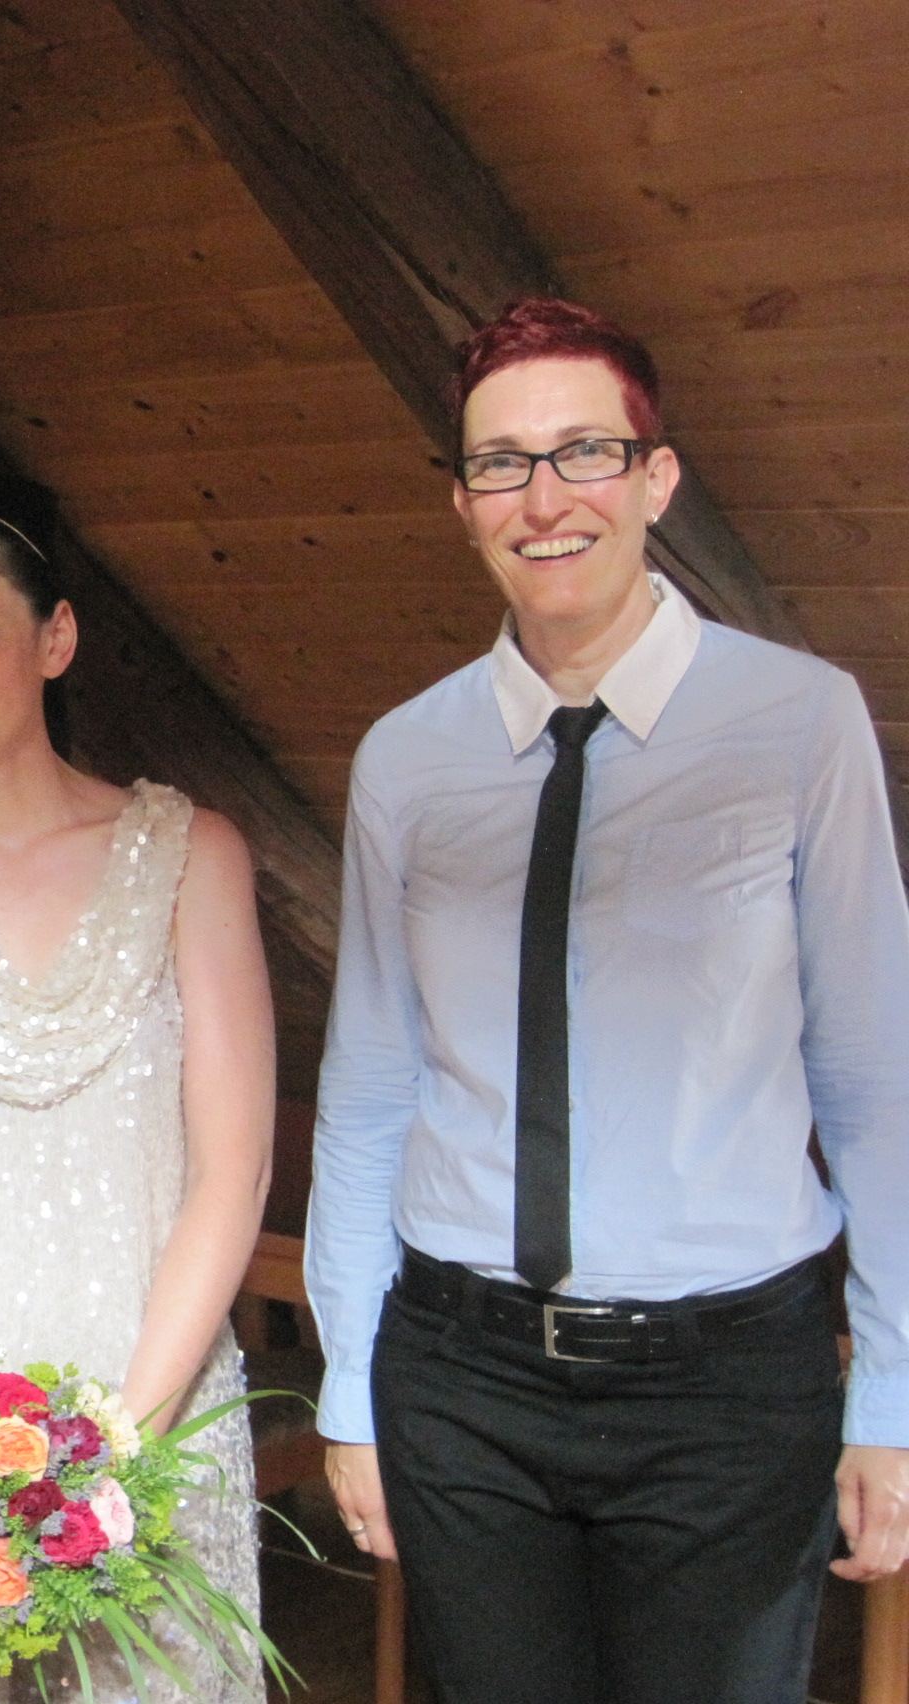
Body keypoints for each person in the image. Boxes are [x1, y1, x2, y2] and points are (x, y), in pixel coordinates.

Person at [306, 296, 909, 1703]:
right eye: (500, 464)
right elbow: (373, 1084)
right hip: (464, 1379)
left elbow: (874, 1080)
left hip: (724, 1385)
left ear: (656, 476)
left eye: (585, 451)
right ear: (463, 502)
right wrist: (350, 1388)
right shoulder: (406, 758)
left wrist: (892, 1392)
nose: (544, 499)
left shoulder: (799, 722)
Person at [0, 464, 276, 1701]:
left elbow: (231, 1177)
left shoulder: (189, 854)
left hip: (148, 1425)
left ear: (55, 637)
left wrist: (112, 1463)